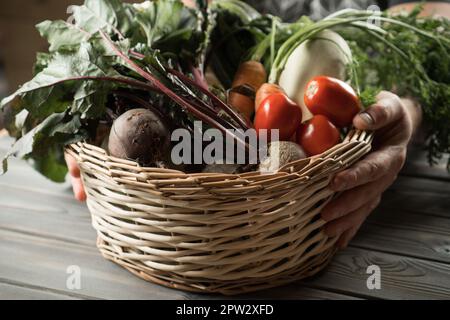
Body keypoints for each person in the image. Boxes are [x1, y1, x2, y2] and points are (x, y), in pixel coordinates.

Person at [65, 0, 450, 249]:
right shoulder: (221, 25)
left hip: (356, 205)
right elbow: (172, 12)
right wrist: (89, 119)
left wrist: (409, 109)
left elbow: (435, 17)